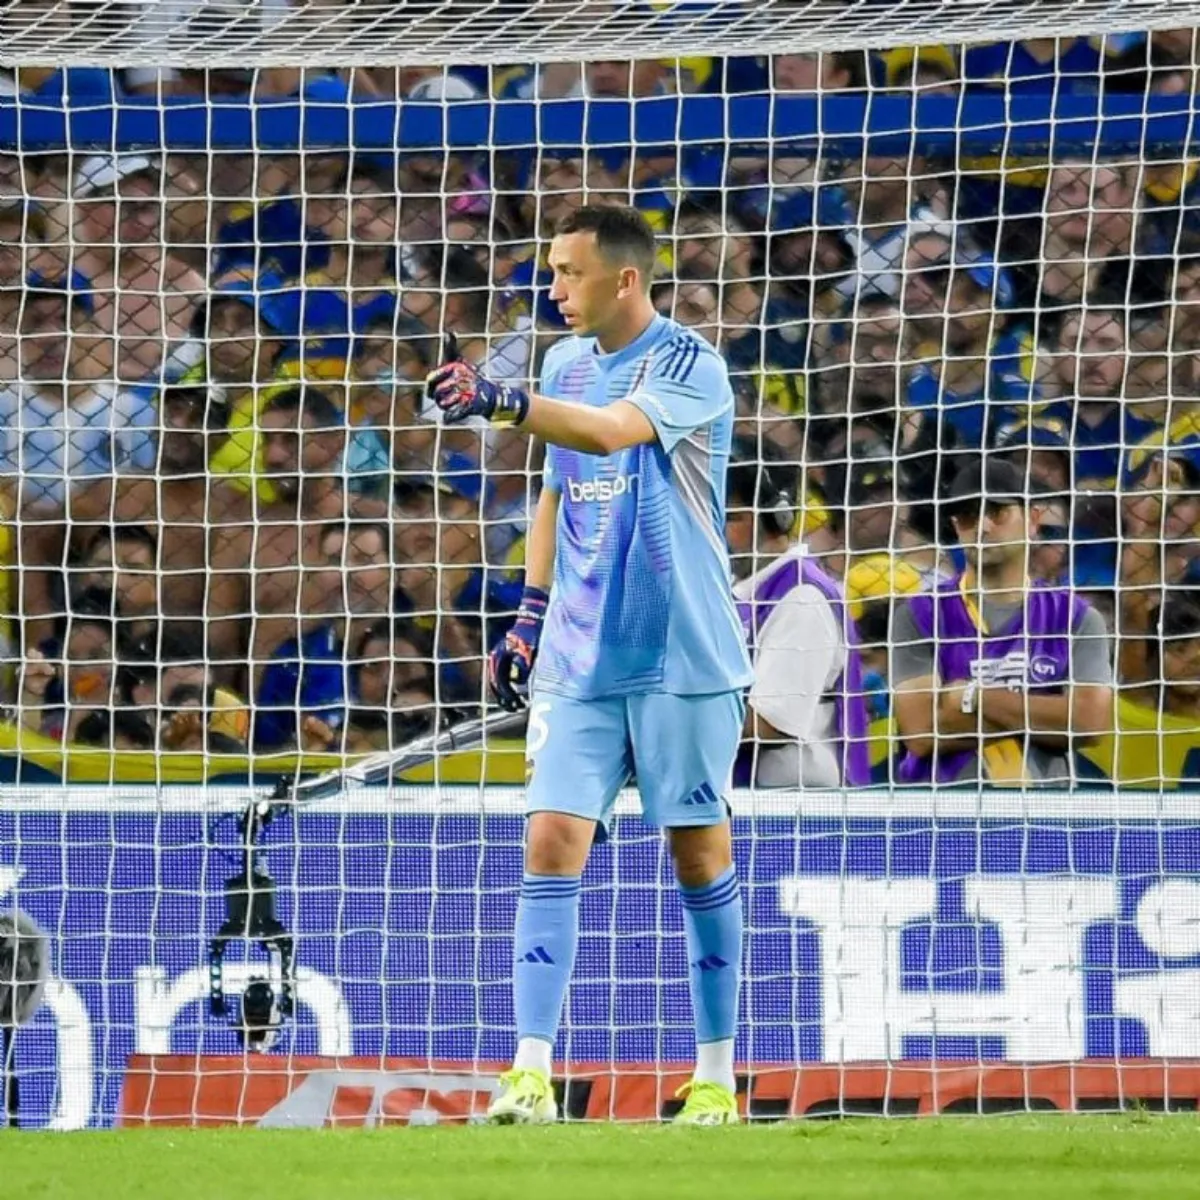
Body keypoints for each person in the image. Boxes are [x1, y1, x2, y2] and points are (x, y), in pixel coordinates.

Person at [425, 205, 753, 1125]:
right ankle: (529, 1074)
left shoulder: (689, 363)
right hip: (578, 654)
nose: (554, 288)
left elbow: (609, 434)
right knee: (549, 840)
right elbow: (556, 492)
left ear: (625, 278)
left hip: (682, 652)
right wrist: (529, 614)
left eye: (569, 272)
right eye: (551, 271)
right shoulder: (563, 362)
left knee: (697, 854)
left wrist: (501, 402)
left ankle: (716, 1076)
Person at [893, 459, 1114, 785]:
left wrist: (974, 697)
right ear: (955, 526)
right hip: (943, 806)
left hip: (1044, 806)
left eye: (997, 512)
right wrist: (1047, 717)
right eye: (967, 515)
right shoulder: (918, 614)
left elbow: (1089, 722)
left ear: (1033, 520)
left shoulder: (1076, 618)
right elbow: (922, 732)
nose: (981, 526)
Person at [725, 458, 871, 789]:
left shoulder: (802, 596)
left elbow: (769, 723)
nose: (713, 527)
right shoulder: (739, 589)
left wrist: (666, 722)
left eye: (730, 516)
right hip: (757, 794)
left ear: (777, 517)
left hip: (802, 802)